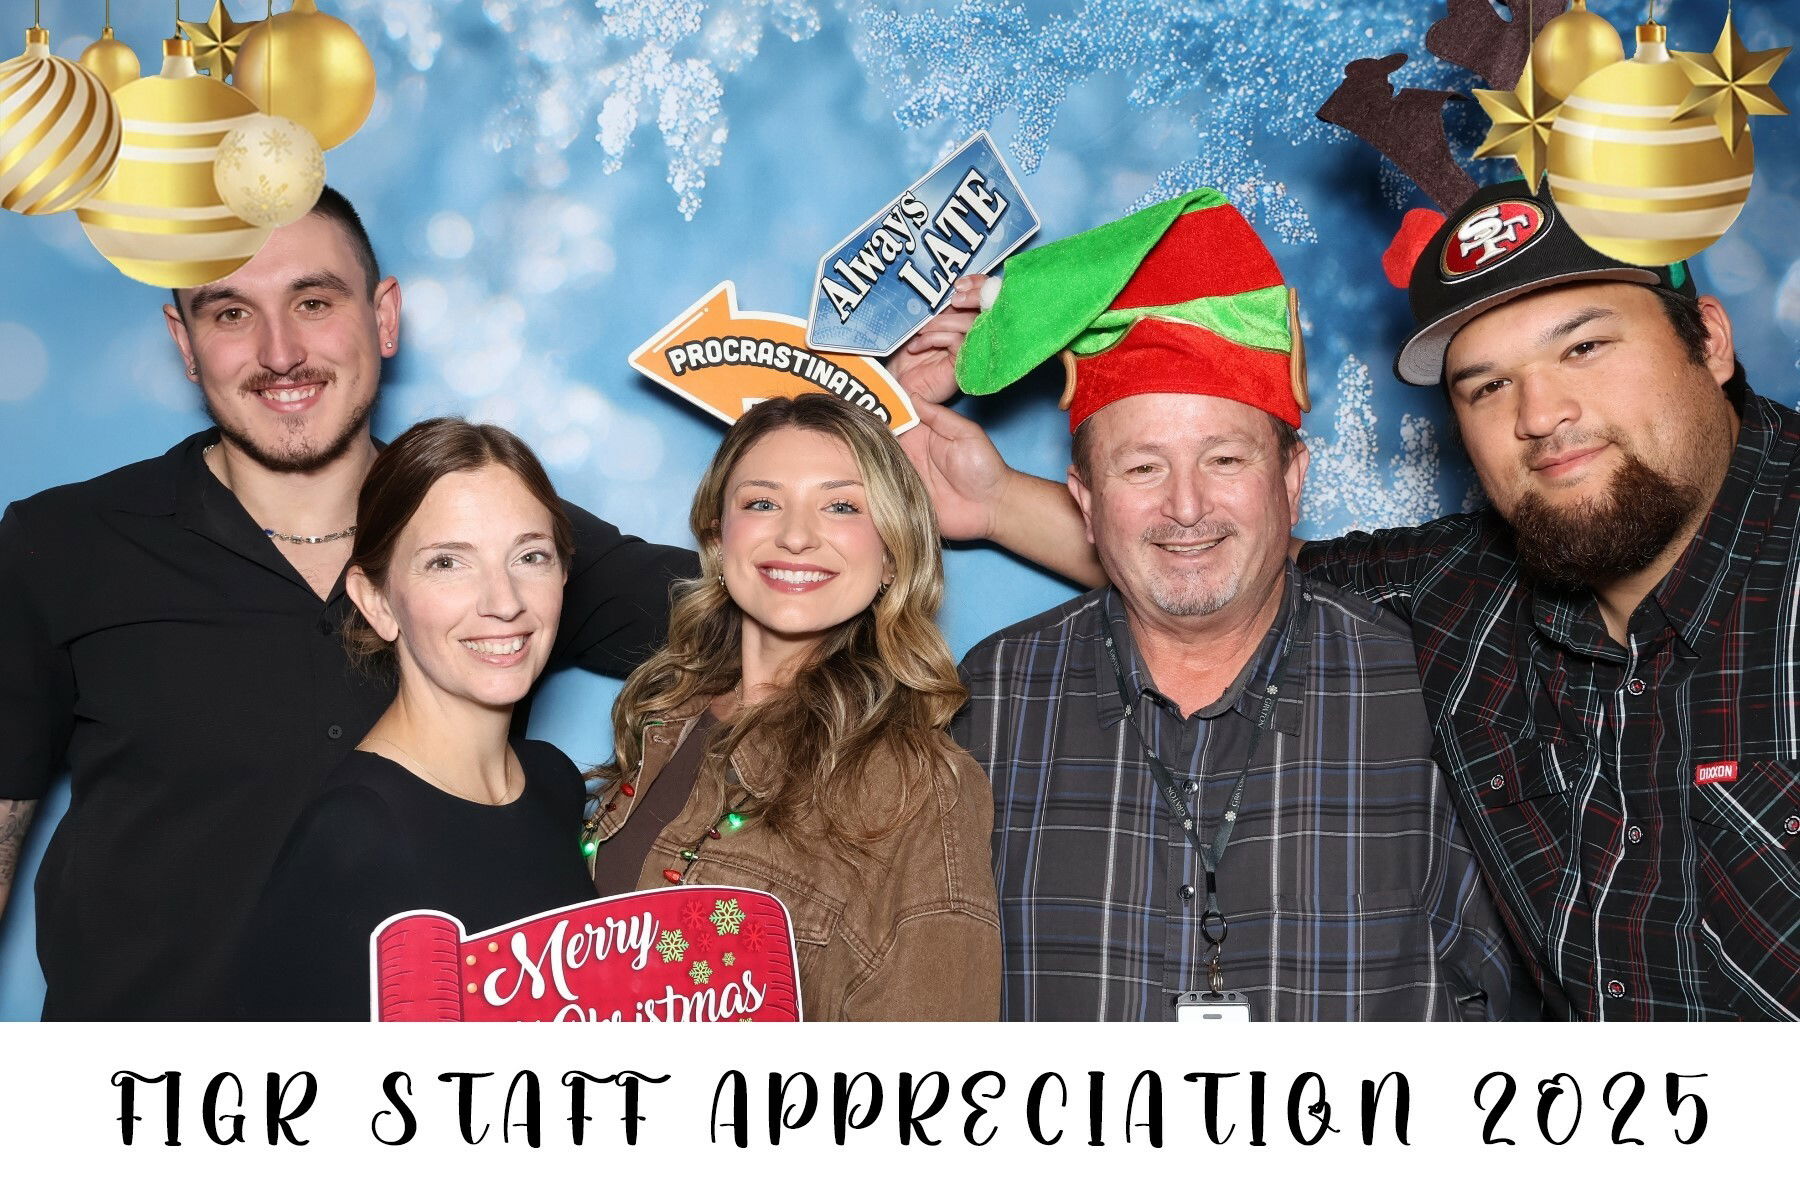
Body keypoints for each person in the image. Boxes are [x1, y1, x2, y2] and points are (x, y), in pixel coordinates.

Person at [0, 185, 1064, 1019]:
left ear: (383, 317)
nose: (280, 351)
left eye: (314, 302)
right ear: (183, 341)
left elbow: (779, 576)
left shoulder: (519, 543)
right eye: (232, 313)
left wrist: (921, 467)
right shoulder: (63, 545)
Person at [945, 189, 1527, 1020]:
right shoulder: (993, 697)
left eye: (1224, 459)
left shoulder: (1430, 694)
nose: (1186, 507)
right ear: (1085, 499)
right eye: (1142, 468)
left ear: (1292, 479)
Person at [1293, 179, 1800, 1019]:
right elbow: (1215, 560)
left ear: (1708, 341)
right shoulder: (1467, 590)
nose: (1540, 414)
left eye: (1584, 347)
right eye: (1488, 387)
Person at [581, 394, 1001, 1020]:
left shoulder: (918, 786)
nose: (796, 536)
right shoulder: (665, 716)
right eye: (762, 503)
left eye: (841, 506)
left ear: (892, 554)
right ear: (718, 538)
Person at [239, 418, 597, 1019]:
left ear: (563, 574)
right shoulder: (356, 835)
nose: (504, 602)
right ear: (377, 601)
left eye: (530, 556)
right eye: (447, 563)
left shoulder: (553, 782)